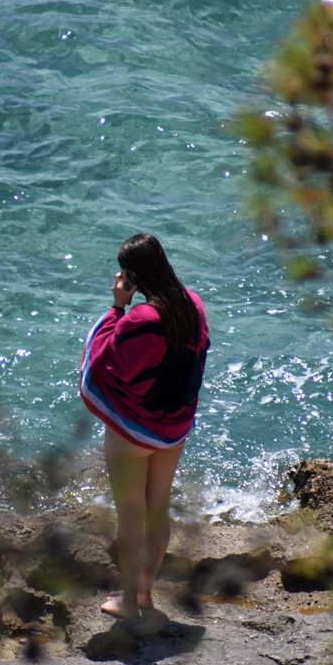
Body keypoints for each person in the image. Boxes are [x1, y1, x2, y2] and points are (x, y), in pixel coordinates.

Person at [79, 234, 209, 619]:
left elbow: (103, 361)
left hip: (134, 431)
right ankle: (145, 593)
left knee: (130, 515)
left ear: (133, 276)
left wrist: (118, 307)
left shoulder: (141, 319)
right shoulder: (193, 304)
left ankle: (126, 600)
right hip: (173, 428)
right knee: (158, 510)